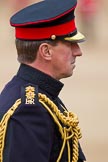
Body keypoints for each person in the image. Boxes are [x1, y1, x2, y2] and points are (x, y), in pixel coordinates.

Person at [0, 0, 86, 162]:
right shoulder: (29, 110)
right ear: (46, 51)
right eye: (71, 44)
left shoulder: (39, 95)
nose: (78, 52)